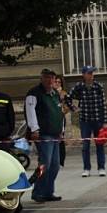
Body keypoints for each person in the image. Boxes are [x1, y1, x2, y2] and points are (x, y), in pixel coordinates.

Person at [25, 68, 64, 202]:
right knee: (45, 163)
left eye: (52, 78)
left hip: (55, 133)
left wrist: (61, 130)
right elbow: (30, 112)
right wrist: (34, 129)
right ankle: (38, 192)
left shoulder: (55, 94)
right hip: (43, 134)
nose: (50, 80)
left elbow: (60, 113)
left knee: (55, 165)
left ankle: (48, 191)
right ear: (41, 78)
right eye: (47, 77)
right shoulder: (34, 93)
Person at [64, 65, 107, 177]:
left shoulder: (98, 86)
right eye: (89, 73)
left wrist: (105, 121)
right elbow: (67, 97)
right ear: (84, 75)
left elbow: (103, 104)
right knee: (85, 146)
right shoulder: (79, 87)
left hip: (98, 119)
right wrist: (73, 108)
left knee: (100, 144)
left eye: (92, 73)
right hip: (85, 120)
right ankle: (86, 168)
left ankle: (101, 167)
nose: (91, 75)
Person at [53, 74, 69, 168]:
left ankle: (61, 160)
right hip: (52, 118)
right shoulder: (50, 92)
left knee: (60, 138)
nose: (57, 83)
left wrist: (62, 110)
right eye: (56, 81)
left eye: (59, 82)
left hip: (61, 118)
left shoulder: (63, 93)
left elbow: (67, 107)